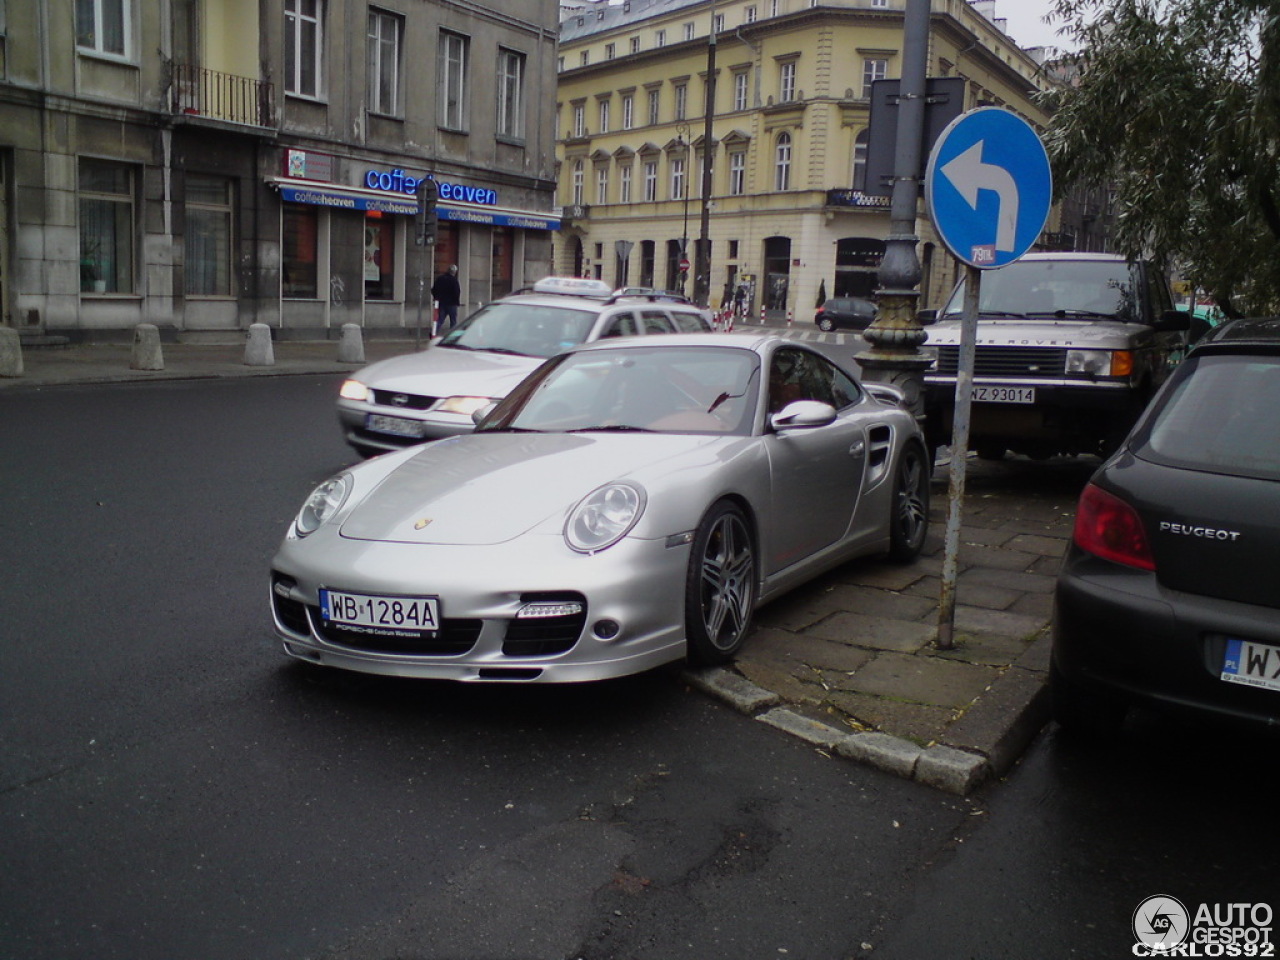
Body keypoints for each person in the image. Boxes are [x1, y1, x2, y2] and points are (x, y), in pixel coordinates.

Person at [431, 264, 461, 332]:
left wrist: (436, 297)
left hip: (442, 303)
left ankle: (434, 332)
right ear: (454, 272)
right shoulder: (454, 280)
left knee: (440, 320)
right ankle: (452, 336)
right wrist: (456, 301)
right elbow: (457, 292)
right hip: (452, 304)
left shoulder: (440, 279)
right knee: (453, 321)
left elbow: (433, 289)